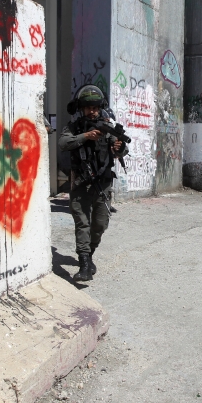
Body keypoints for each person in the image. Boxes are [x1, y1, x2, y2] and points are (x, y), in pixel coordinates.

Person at [58, 85, 127, 282]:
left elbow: (122, 150)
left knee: (100, 224)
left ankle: (90, 254)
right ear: (81, 108)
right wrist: (86, 137)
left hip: (102, 183)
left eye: (95, 107)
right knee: (82, 223)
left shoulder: (107, 128)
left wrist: (118, 147)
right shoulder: (75, 127)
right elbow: (63, 143)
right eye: (88, 107)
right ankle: (84, 263)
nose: (92, 111)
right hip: (80, 182)